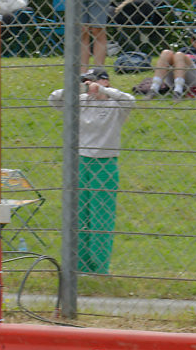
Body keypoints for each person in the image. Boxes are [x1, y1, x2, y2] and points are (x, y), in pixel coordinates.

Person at [49, 67, 135, 274]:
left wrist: (106, 90)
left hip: (105, 164)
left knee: (101, 217)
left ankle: (100, 267)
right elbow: (54, 99)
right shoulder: (80, 101)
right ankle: (80, 265)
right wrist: (76, 87)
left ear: (106, 81)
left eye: (95, 81)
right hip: (80, 163)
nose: (91, 85)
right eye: (88, 81)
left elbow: (130, 101)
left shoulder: (116, 104)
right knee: (80, 215)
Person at [147, 27, 196, 98]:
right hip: (176, 77)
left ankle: (178, 91)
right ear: (191, 40)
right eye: (194, 39)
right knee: (166, 52)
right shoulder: (184, 50)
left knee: (179, 54)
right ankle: (154, 88)